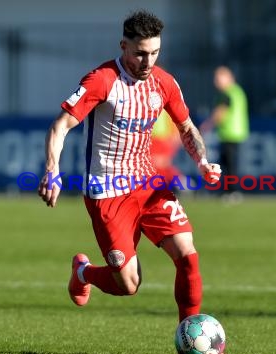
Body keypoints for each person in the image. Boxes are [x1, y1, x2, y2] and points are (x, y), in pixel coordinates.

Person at [38, 11, 222, 331]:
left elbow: (187, 127)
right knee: (128, 285)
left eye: (154, 53)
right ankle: (84, 273)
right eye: (140, 53)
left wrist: (202, 162)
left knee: (188, 255)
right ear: (124, 46)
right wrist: (51, 170)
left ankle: (190, 332)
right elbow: (61, 126)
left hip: (148, 185)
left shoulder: (163, 83)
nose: (147, 61)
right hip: (108, 193)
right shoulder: (101, 80)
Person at [201, 66, 249, 198]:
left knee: (228, 165)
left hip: (229, 133)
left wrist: (207, 125)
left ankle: (232, 192)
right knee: (228, 164)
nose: (216, 81)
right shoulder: (237, 91)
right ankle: (228, 191)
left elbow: (220, 113)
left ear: (229, 78)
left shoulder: (226, 93)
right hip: (237, 132)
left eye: (219, 78)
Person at [150, 109, 184, 188]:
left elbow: (176, 127)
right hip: (152, 140)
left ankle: (181, 182)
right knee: (157, 165)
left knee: (161, 164)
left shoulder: (166, 109)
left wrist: (173, 145)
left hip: (162, 140)